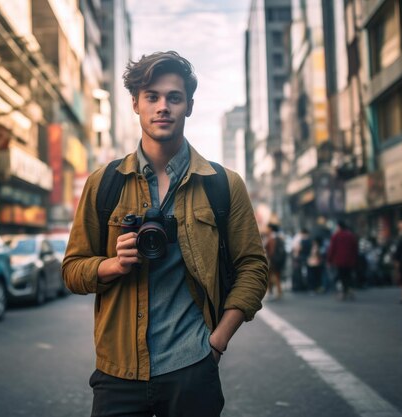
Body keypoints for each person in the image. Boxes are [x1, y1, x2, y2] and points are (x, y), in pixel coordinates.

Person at [62, 51, 269, 417]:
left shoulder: (222, 185)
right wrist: (112, 265)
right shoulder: (104, 183)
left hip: (192, 365)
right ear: (135, 105)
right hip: (118, 371)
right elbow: (72, 271)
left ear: (189, 106)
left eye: (174, 98)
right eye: (152, 97)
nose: (163, 107)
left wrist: (217, 343)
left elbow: (253, 267)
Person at [327, 220, 359, 300]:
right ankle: (350, 289)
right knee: (348, 275)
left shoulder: (336, 236)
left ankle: (345, 292)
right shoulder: (351, 235)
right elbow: (355, 249)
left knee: (342, 276)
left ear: (339, 227)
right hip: (350, 260)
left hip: (339, 260)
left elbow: (332, 249)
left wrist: (329, 260)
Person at [264, 223, 285, 300]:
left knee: (269, 276)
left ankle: (270, 292)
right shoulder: (279, 236)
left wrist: (270, 258)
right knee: (277, 275)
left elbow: (270, 249)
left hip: (272, 260)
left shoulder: (271, 237)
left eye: (267, 228)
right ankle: (279, 292)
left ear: (270, 229)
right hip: (278, 259)